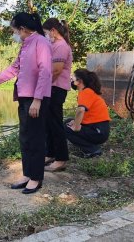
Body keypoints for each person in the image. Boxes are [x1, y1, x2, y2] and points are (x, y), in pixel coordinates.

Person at [0, 12, 52, 194]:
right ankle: (27, 173)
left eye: (15, 31)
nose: (15, 35)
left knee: (35, 138)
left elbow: (45, 72)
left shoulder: (41, 43)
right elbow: (14, 68)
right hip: (24, 97)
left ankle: (36, 178)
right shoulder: (26, 45)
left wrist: (38, 100)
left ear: (22, 29)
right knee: (25, 137)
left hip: (37, 98)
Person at [42, 18, 73, 172]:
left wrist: (44, 85)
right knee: (48, 122)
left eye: (47, 32)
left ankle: (61, 159)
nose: (47, 35)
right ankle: (50, 153)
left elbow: (56, 70)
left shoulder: (61, 46)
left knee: (55, 123)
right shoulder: (55, 45)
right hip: (51, 88)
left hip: (56, 88)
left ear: (53, 30)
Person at [65, 69, 111, 158]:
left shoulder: (85, 92)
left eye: (72, 79)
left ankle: (92, 150)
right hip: (99, 129)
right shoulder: (88, 91)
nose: (71, 81)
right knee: (68, 122)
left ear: (79, 81)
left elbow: (81, 110)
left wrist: (76, 126)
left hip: (98, 131)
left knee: (67, 128)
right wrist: (75, 122)